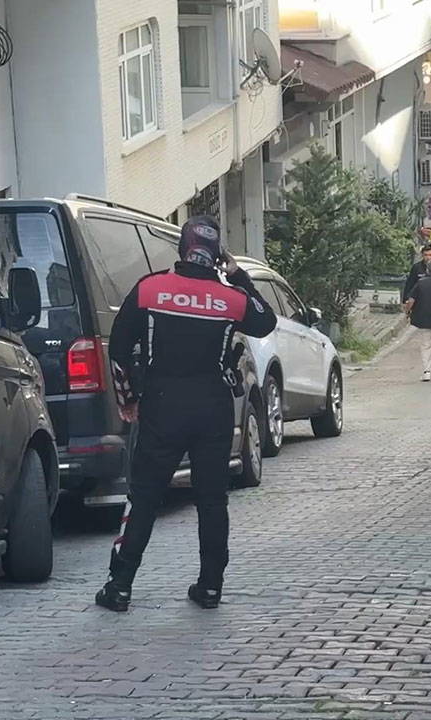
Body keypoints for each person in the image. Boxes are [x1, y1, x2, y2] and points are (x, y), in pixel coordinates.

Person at [95, 216, 277, 613]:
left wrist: (128, 399)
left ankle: (120, 586)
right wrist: (238, 276)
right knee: (212, 500)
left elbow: (119, 349)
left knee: (144, 496)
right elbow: (266, 321)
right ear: (217, 254)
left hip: (162, 405)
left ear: (182, 249)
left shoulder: (149, 288)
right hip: (214, 408)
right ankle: (210, 587)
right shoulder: (231, 298)